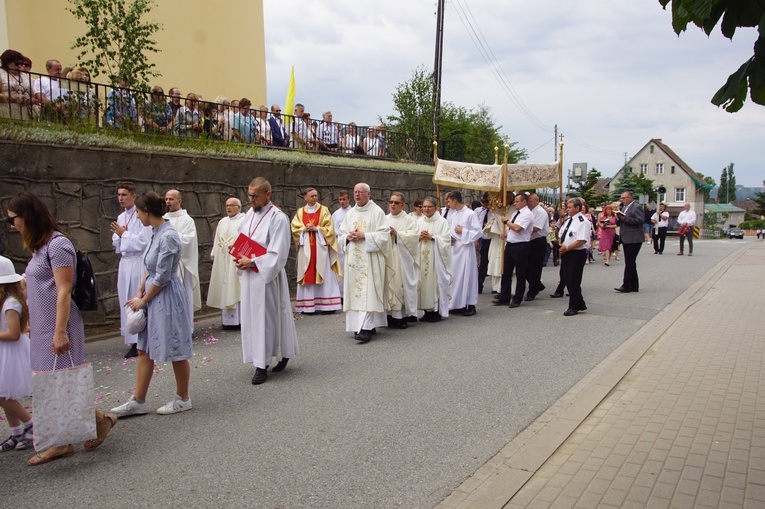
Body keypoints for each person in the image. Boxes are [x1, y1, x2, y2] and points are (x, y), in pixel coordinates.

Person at [7, 192, 116, 465]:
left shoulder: (58, 245)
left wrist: (59, 331)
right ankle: (91, 427)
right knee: (54, 384)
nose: (12, 225)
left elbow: (64, 289)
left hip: (59, 325)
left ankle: (66, 440)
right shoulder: (40, 248)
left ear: (27, 216)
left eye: (13, 219)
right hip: (43, 326)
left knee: (62, 382)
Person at [111, 191, 193, 417]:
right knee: (143, 348)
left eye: (138, 212)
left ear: (146, 211)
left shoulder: (168, 236)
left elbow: (164, 276)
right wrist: (140, 288)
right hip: (152, 293)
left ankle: (183, 398)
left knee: (176, 346)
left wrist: (143, 299)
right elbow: (150, 264)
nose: (136, 216)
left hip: (165, 296)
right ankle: (137, 399)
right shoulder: (156, 233)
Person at [235, 178, 298, 385]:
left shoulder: (278, 218)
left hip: (266, 277)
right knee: (253, 319)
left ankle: (262, 365)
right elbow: (241, 240)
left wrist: (252, 261)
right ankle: (258, 357)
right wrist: (238, 257)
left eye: (255, 196)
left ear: (268, 194)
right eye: (249, 195)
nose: (251, 200)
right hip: (249, 275)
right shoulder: (247, 216)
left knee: (267, 319)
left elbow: (278, 252)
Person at [337, 183, 391, 343]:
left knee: (368, 292)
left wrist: (365, 236)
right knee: (356, 292)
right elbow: (340, 234)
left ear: (368, 194)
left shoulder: (377, 212)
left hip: (370, 260)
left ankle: (366, 328)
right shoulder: (351, 213)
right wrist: (347, 237)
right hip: (354, 261)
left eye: (360, 192)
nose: (357, 195)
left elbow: (384, 235)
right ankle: (360, 326)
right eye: (355, 192)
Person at [110, 182, 152, 358]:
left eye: (124, 195)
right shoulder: (121, 217)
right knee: (124, 298)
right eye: (119, 195)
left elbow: (143, 241)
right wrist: (120, 236)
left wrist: (124, 234)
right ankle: (131, 336)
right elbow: (116, 242)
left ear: (133, 197)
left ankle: (140, 338)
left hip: (137, 261)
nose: (121, 198)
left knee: (137, 297)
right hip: (125, 262)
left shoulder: (140, 215)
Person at [0, 256, 34, 452]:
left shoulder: (11, 304)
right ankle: (15, 431)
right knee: (5, 394)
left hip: (11, 351)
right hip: (4, 351)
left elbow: (13, 334)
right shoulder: (5, 301)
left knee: (3, 395)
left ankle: (30, 424)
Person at [290, 188, 342, 314]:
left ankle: (327, 306)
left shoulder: (324, 210)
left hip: (320, 248)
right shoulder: (300, 212)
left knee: (324, 273)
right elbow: (294, 228)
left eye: (316, 196)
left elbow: (330, 229)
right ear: (305, 198)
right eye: (311, 196)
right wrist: (304, 229)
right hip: (306, 247)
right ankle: (308, 306)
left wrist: (317, 229)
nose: (314, 198)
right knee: (307, 272)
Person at [164, 189, 201, 327]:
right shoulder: (162, 218)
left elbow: (188, 241)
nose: (168, 201)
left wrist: (170, 235)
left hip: (181, 264)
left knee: (182, 297)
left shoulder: (187, 220)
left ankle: (185, 328)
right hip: (166, 264)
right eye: (166, 199)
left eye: (171, 199)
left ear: (179, 200)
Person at [207, 197, 245, 329]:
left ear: (239, 207)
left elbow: (245, 239)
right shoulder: (222, 221)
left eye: (232, 205)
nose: (228, 208)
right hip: (223, 258)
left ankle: (239, 320)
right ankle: (227, 322)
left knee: (235, 287)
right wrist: (214, 253)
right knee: (225, 287)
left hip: (235, 259)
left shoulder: (244, 220)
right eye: (227, 205)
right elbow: (217, 238)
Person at [443, 191, 481, 316]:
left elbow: (478, 232)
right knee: (456, 277)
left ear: (455, 200)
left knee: (467, 276)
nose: (447, 204)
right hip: (455, 249)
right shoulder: (454, 215)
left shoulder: (470, 214)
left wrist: (463, 231)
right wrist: (451, 237)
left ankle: (470, 304)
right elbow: (451, 230)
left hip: (465, 249)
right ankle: (458, 304)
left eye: (448, 201)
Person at [494, 193, 534, 308]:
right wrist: (506, 234)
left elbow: (517, 228)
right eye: (515, 201)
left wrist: (506, 221)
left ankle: (517, 298)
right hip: (511, 244)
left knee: (520, 273)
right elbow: (512, 229)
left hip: (521, 246)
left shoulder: (527, 214)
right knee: (506, 272)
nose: (515, 203)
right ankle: (504, 296)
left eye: (517, 201)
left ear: (524, 202)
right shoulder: (516, 213)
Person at [386, 192, 419, 328]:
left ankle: (401, 316)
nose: (393, 204)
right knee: (389, 285)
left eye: (396, 202)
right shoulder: (384, 218)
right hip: (388, 257)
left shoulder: (409, 220)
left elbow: (414, 237)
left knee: (400, 285)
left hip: (402, 258)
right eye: (391, 202)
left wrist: (397, 234)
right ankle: (389, 315)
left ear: (403, 205)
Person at [416, 196, 452, 322]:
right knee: (424, 283)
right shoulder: (419, 221)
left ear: (436, 208)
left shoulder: (442, 222)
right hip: (422, 257)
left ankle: (436, 311)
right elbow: (413, 237)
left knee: (434, 283)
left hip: (435, 259)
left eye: (429, 206)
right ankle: (427, 310)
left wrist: (433, 237)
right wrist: (418, 237)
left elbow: (447, 240)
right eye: (424, 206)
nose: (425, 209)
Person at [558, 198, 589, 316]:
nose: (567, 209)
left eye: (570, 207)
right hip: (567, 252)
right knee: (567, 278)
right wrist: (561, 245)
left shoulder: (582, 221)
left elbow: (581, 240)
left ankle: (574, 306)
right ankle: (580, 303)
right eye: (567, 207)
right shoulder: (569, 220)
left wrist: (567, 248)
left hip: (576, 253)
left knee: (573, 280)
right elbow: (563, 234)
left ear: (577, 208)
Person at [615, 191, 644, 293]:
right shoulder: (624, 208)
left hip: (634, 238)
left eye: (624, 198)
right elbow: (621, 221)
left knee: (630, 262)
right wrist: (618, 217)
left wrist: (625, 218)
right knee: (630, 262)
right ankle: (634, 285)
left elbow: (640, 220)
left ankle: (626, 285)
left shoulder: (636, 207)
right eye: (621, 198)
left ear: (630, 198)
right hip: (626, 238)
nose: (622, 200)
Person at [525, 193, 550, 301]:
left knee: (535, 267)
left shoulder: (540, 212)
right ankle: (537, 285)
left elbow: (536, 228)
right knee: (525, 267)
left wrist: (520, 229)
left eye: (530, 201)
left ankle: (533, 290)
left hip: (538, 241)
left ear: (536, 201)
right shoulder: (528, 211)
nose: (528, 204)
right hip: (528, 240)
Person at [331, 191, 352, 298]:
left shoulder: (353, 212)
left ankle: (349, 295)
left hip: (350, 244)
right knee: (339, 270)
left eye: (344, 199)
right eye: (340, 199)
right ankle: (339, 295)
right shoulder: (335, 214)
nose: (342, 202)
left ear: (349, 199)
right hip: (339, 244)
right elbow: (332, 229)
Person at [473, 193, 493, 294]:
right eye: (482, 202)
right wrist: (476, 240)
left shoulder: (494, 211)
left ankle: (496, 286)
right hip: (483, 239)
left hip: (492, 239)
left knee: (493, 262)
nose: (484, 204)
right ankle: (479, 285)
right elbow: (476, 227)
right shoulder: (478, 211)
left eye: (486, 202)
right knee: (483, 263)